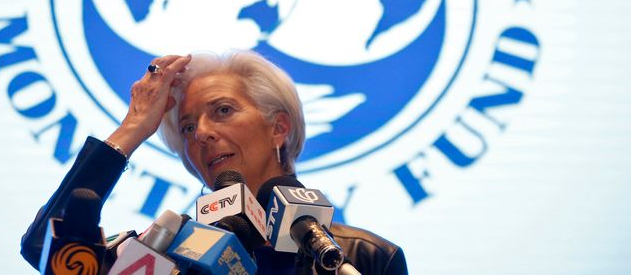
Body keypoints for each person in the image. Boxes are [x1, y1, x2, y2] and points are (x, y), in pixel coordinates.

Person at [21, 51, 408, 274]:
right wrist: (133, 129)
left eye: (223, 110)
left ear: (279, 128)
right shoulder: (164, 253)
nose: (201, 134)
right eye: (187, 127)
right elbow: (46, 246)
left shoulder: (363, 257)